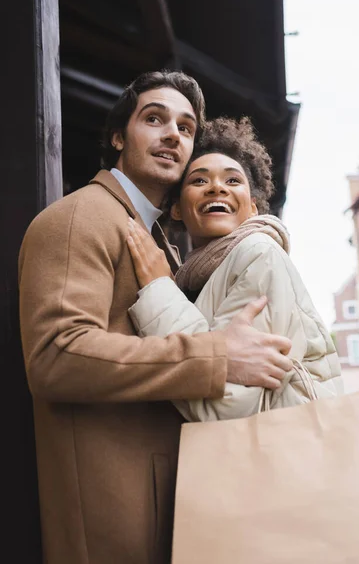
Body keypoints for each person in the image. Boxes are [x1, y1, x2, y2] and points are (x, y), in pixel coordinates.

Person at [18, 71, 293, 564]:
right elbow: (55, 354)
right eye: (154, 118)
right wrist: (215, 354)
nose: (173, 134)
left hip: (165, 503)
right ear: (119, 137)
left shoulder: (158, 241)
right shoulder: (83, 216)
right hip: (113, 515)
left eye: (187, 128)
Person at [127, 116, 343, 422]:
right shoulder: (199, 276)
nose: (217, 188)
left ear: (253, 206)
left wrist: (159, 289)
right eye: (199, 180)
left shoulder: (258, 254)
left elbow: (225, 406)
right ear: (176, 208)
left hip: (279, 458)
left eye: (232, 180)